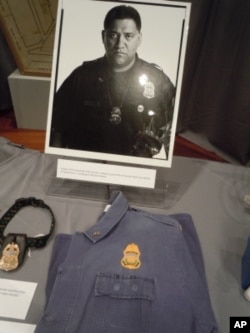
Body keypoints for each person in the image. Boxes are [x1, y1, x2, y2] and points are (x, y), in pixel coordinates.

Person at [50, 5, 175, 158]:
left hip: (134, 170)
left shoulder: (157, 81)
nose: (120, 44)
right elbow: (57, 129)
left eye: (128, 36)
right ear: (103, 36)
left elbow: (172, 135)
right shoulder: (81, 77)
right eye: (113, 35)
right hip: (86, 165)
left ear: (139, 39)